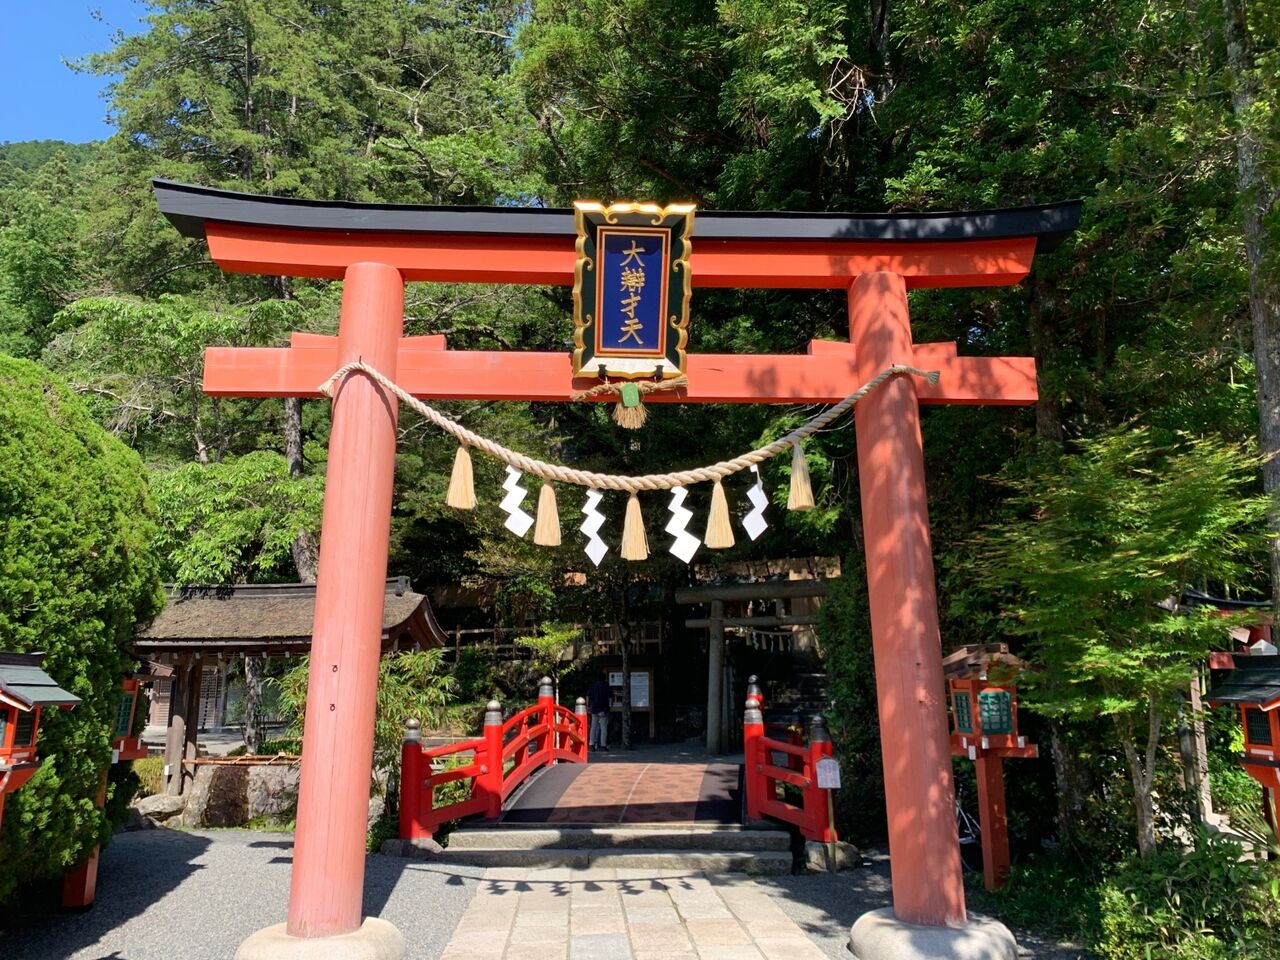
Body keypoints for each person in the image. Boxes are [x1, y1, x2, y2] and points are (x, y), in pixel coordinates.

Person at [586, 670, 611, 753]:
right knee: (603, 727)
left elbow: (587, 696)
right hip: (603, 709)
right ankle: (603, 745)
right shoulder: (606, 686)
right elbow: (610, 697)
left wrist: (588, 706)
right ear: (604, 678)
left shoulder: (593, 686)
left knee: (593, 727)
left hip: (594, 709)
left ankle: (591, 744)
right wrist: (610, 707)